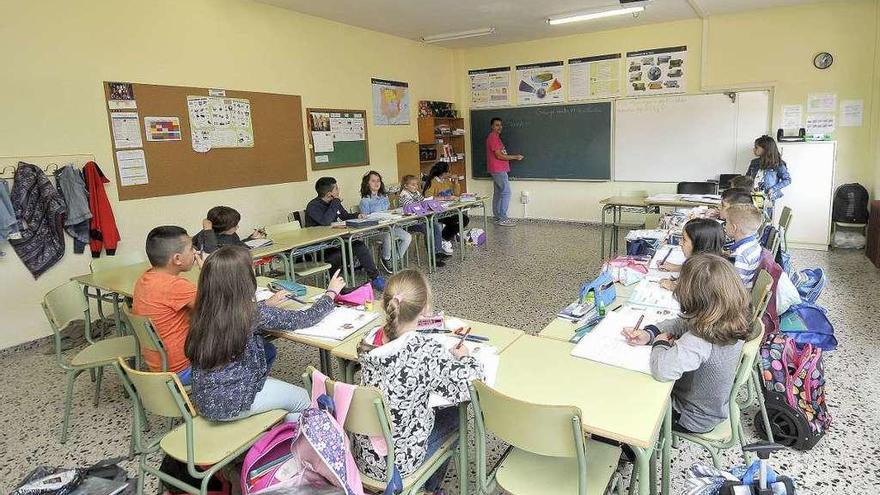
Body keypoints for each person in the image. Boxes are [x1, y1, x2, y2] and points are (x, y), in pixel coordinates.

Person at [354, 270, 484, 492]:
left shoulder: (368, 340)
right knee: (454, 413)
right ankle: (429, 488)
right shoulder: (423, 351)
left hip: (364, 456)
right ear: (424, 310)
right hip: (398, 464)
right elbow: (470, 384)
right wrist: (466, 357)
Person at [185, 246, 345, 422]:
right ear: (243, 280)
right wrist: (330, 294)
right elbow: (306, 317)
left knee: (288, 404)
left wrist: (267, 304)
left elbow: (243, 315)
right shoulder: (253, 314)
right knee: (314, 402)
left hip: (206, 401)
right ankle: (291, 439)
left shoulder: (203, 311)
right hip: (236, 401)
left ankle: (281, 429)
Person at [623, 253, 752, 434]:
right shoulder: (730, 317)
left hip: (690, 417)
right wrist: (649, 333)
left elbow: (662, 370)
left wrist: (660, 344)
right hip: (709, 407)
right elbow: (680, 323)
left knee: (629, 395)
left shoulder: (700, 340)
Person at [132, 226, 201, 385]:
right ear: (177, 259)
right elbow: (218, 307)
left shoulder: (146, 277)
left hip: (160, 366)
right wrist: (208, 270)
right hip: (183, 369)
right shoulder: (174, 286)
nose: (195, 252)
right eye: (191, 249)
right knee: (264, 351)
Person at [305, 177, 385, 291]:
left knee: (359, 246)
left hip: (335, 242)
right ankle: (336, 287)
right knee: (335, 255)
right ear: (329, 194)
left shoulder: (334, 202)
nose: (339, 190)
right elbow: (325, 221)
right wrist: (336, 202)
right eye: (336, 188)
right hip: (320, 248)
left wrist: (357, 215)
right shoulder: (313, 206)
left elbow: (344, 215)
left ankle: (375, 278)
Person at [359, 171, 412, 274]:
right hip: (374, 230)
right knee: (387, 236)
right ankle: (386, 258)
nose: (376, 183)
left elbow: (388, 212)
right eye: (373, 181)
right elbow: (365, 220)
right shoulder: (365, 201)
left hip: (389, 226)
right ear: (367, 183)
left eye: (378, 181)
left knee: (407, 237)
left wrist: (394, 213)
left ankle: (395, 258)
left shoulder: (384, 197)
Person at [399, 174, 451, 266]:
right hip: (409, 222)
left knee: (436, 226)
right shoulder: (404, 194)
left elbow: (423, 202)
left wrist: (427, 203)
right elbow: (412, 206)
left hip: (419, 219)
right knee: (428, 229)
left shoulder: (416, 193)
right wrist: (422, 204)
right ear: (406, 186)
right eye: (413, 184)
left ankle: (438, 252)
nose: (416, 186)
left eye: (417, 184)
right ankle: (432, 257)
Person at [659, 218, 724, 290]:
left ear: (699, 245)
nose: (680, 243)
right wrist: (678, 268)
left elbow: (695, 295)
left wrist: (673, 287)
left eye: (684, 239)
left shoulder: (707, 273)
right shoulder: (711, 263)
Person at [486, 117, 524, 227]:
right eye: (497, 125)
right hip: (498, 169)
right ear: (492, 126)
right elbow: (499, 155)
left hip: (497, 169)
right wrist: (515, 157)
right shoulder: (493, 137)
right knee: (506, 192)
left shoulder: (495, 137)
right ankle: (502, 218)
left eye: (500, 125)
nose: (499, 127)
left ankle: (497, 217)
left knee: (498, 193)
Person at [423, 163, 470, 246]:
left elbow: (456, 193)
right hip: (437, 212)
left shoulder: (446, 181)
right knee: (455, 221)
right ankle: (443, 239)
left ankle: (444, 237)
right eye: (448, 172)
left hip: (448, 209)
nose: (450, 174)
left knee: (464, 219)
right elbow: (428, 198)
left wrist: (456, 181)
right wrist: (446, 198)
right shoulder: (432, 182)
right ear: (443, 173)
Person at [747, 135, 791, 220]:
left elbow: (787, 180)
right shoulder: (754, 162)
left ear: (765, 149)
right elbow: (747, 178)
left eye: (756, 147)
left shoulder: (778, 164)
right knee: (751, 221)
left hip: (767, 198)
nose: (754, 150)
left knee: (765, 222)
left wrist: (773, 189)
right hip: (752, 197)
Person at [192, 205, 266, 254]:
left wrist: (251, 239)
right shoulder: (206, 235)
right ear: (224, 227)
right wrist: (208, 230)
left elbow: (236, 244)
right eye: (234, 225)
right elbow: (212, 253)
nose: (237, 227)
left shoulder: (231, 234)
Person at [724, 204, 764, 288]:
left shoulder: (739, 255)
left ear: (734, 227)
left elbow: (733, 287)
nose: (725, 225)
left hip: (738, 294)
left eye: (726, 222)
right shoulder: (754, 243)